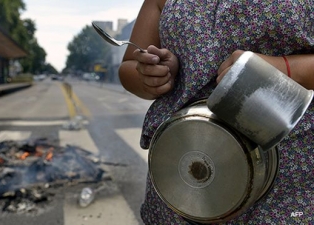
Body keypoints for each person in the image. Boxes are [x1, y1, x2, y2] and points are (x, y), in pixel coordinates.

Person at [118, 0, 314, 224]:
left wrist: (287, 69)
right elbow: (129, 66)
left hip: (288, 181)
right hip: (184, 170)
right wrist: (150, 75)